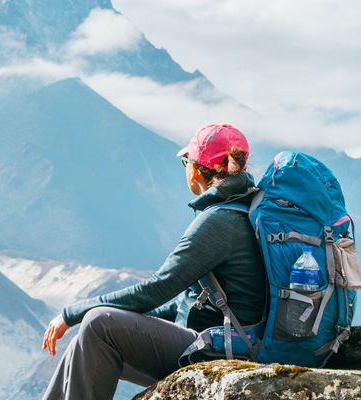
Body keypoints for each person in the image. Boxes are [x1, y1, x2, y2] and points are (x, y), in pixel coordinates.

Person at [41, 124, 267, 400]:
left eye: (187, 161)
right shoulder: (242, 209)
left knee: (98, 324)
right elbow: (184, 302)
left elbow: (156, 289)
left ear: (195, 169)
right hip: (220, 341)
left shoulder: (218, 222)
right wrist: (134, 321)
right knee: (85, 343)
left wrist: (71, 314)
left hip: (219, 349)